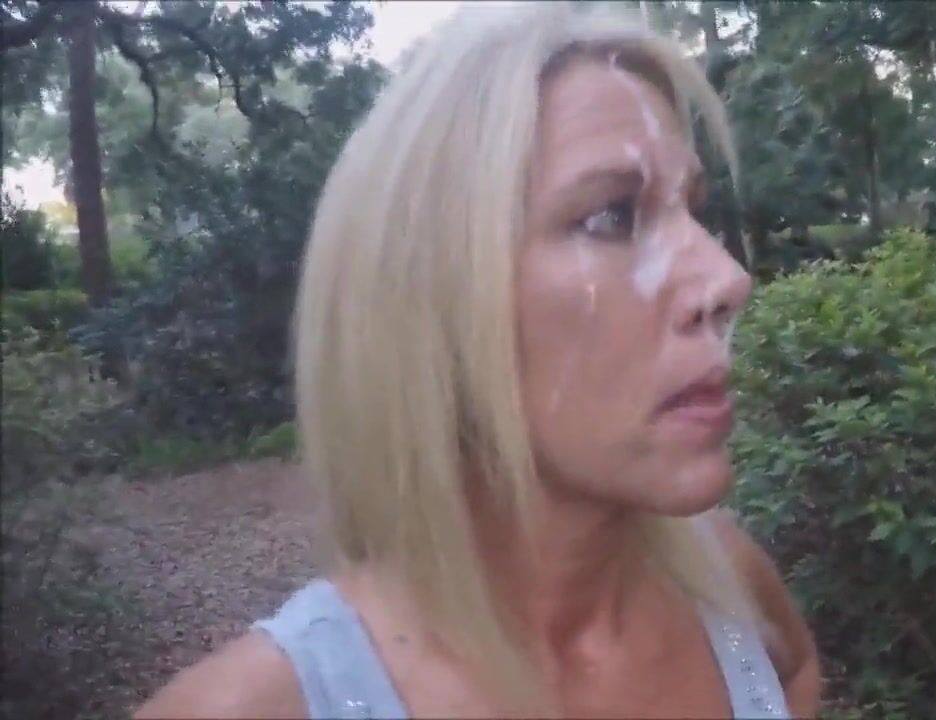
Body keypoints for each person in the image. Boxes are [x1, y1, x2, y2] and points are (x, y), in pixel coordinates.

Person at [135, 4, 820, 718]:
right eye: (612, 216)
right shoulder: (251, 707)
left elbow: (797, 672)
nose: (726, 279)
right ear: (432, 300)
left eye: (692, 210)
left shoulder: (728, 582)